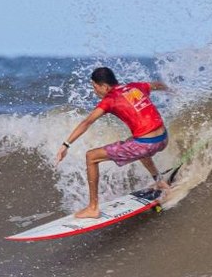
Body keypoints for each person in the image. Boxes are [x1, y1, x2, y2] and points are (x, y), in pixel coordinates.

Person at [55, 67, 170, 218]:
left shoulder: (110, 99)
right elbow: (156, 85)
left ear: (104, 86)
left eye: (95, 87)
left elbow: (87, 122)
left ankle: (93, 207)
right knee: (134, 142)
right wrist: (171, 90)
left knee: (91, 156)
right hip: (163, 138)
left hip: (146, 144)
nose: (95, 91)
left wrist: (66, 145)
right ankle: (159, 181)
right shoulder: (135, 87)